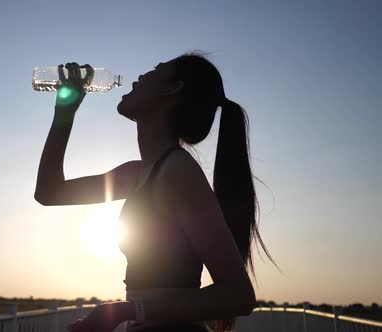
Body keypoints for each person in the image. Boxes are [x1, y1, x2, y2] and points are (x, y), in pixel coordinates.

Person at [34, 52, 276, 332]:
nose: (139, 78)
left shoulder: (177, 171)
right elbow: (49, 193)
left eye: (154, 70)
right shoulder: (139, 173)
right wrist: (65, 112)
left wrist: (125, 310)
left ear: (171, 89)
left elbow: (238, 296)